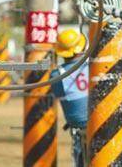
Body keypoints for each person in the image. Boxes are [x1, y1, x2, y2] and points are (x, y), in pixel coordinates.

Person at [50, 29, 89, 167]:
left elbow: (60, 95)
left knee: (81, 160)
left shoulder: (57, 74)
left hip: (78, 125)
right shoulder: (92, 65)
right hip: (98, 119)